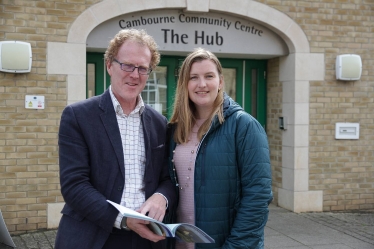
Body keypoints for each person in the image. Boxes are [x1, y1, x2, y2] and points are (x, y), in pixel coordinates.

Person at [55, 29, 176, 249]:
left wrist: (162, 197)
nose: (134, 74)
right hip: (94, 235)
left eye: (142, 68)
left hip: (147, 238)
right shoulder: (78, 116)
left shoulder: (159, 122)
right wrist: (124, 219)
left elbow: (167, 178)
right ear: (109, 65)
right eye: (127, 65)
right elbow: (74, 184)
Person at [167, 48, 273, 249]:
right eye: (193, 77)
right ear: (184, 84)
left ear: (220, 81)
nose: (202, 84)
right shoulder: (175, 129)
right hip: (180, 244)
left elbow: (258, 196)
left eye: (209, 76)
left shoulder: (244, 126)